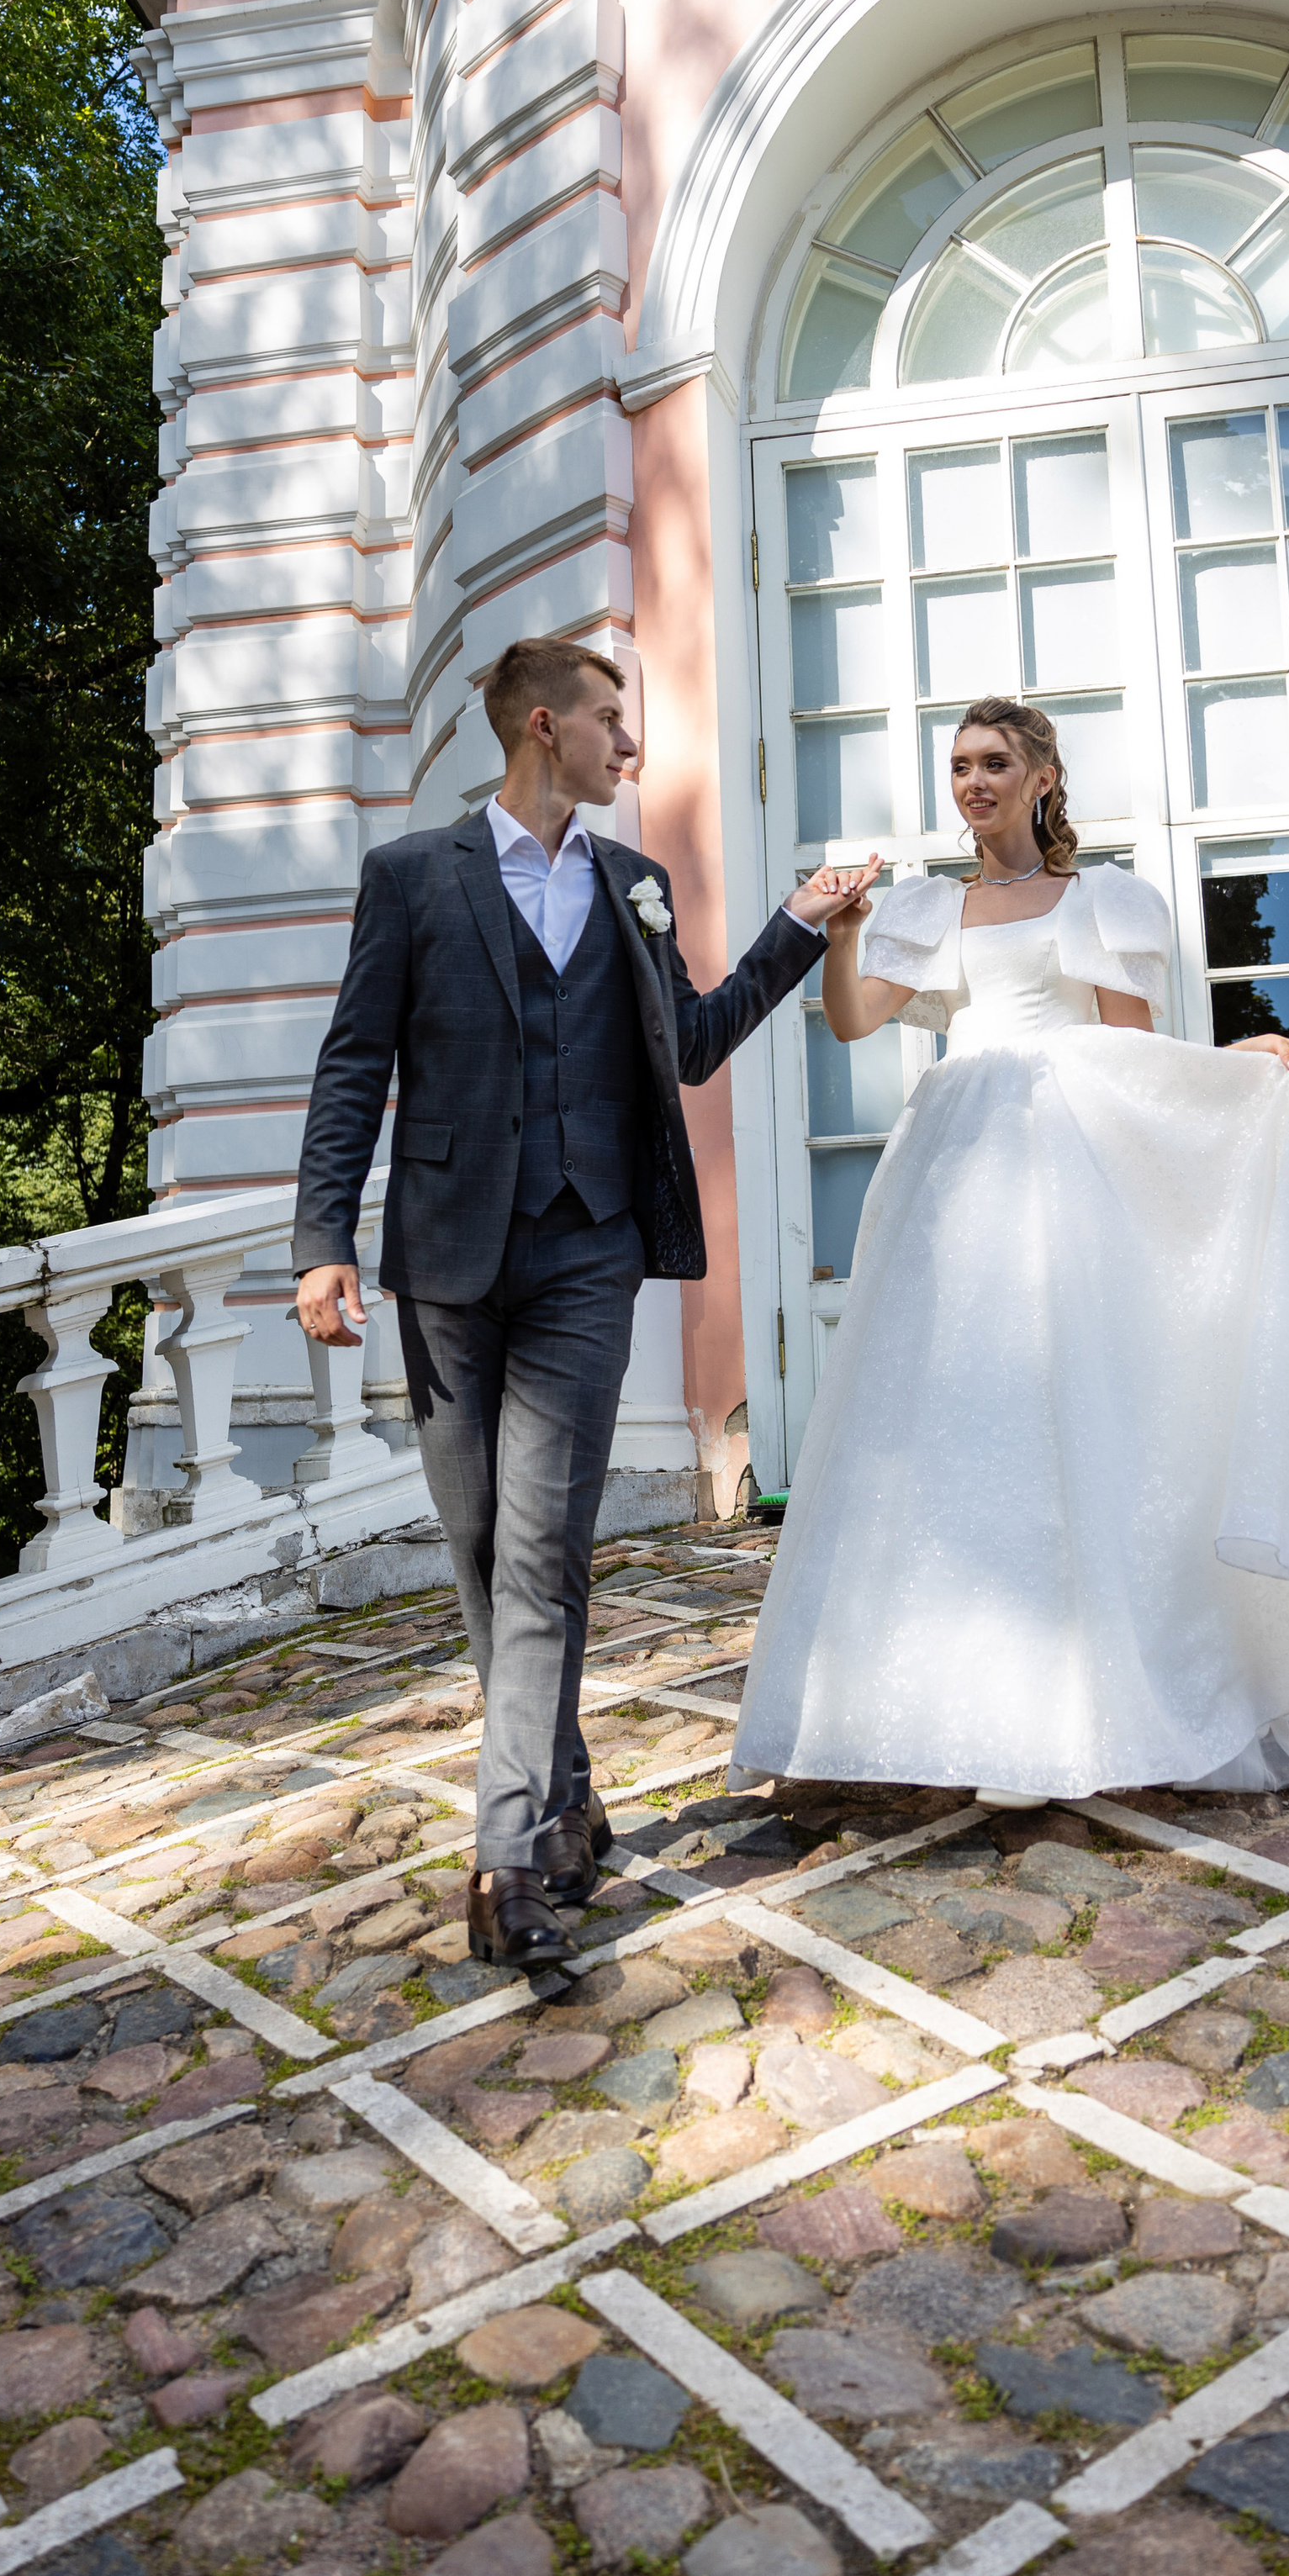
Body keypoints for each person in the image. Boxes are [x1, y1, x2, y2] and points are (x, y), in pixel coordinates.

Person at [293, 636, 879, 1968]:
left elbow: (688, 1045)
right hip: (446, 1257)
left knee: (545, 1550)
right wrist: (322, 1237)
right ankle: (561, 1792)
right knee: (485, 1550)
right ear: (543, 727)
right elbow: (352, 1067)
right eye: (615, 722)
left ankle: (511, 1861)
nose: (632, 748)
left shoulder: (636, 883)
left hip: (587, 1252)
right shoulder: (411, 880)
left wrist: (802, 926)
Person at [732, 694, 1289, 1809]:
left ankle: (1095, 1701)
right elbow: (858, 1020)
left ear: (1045, 775)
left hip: (1065, 1161)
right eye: (960, 764)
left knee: (1075, 1410)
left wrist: (1249, 1068)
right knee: (941, 1414)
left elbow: (1130, 1054)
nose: (974, 782)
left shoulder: (1102, 901)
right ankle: (913, 1705)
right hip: (954, 1171)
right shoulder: (932, 908)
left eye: (996, 762)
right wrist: (846, 929)